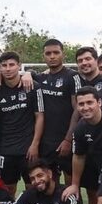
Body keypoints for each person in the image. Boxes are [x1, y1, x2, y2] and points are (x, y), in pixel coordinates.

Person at [0, 52, 45, 196]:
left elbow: (40, 116)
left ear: (18, 66)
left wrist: (35, 144)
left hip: (28, 149)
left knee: (33, 188)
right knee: (7, 189)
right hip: (6, 149)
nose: (8, 69)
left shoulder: (32, 87)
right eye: (4, 66)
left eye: (11, 65)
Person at [32, 39, 82, 178]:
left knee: (70, 185)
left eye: (56, 52)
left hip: (65, 140)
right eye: (48, 53)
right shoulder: (40, 78)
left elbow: (78, 109)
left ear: (63, 55)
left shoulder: (73, 76)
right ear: (44, 56)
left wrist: (68, 139)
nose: (52, 56)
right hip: (45, 142)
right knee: (48, 182)